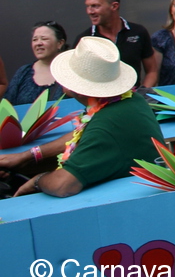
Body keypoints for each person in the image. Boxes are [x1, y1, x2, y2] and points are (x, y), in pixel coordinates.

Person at [0, 36, 162, 197]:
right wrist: (27, 156)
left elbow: (63, 185)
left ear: (76, 89)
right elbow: (83, 134)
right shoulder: (129, 100)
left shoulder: (105, 125)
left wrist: (37, 180)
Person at [77, 0, 158, 89]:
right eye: (87, 6)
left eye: (95, 6)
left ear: (114, 6)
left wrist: (142, 93)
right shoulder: (84, 40)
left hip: (133, 97)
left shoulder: (138, 32)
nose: (89, 11)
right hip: (99, 99)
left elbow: (152, 71)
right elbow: (70, 83)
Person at [3, 22, 66, 105]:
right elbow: (7, 104)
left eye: (44, 39)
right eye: (35, 40)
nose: (38, 43)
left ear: (60, 43)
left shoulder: (70, 71)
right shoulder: (24, 72)